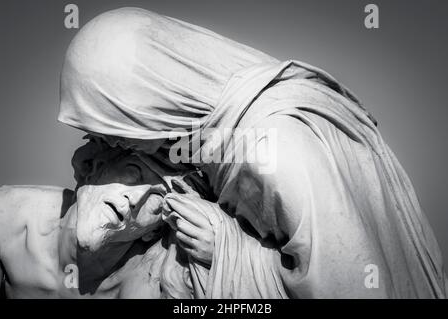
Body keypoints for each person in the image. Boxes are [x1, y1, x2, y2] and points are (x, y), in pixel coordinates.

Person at [58, 7, 447, 298]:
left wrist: (226, 248)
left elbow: (355, 288)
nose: (113, 147)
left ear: (156, 99)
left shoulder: (278, 148)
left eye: (117, 132)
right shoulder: (206, 134)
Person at [0, 137, 216, 298]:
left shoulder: (146, 283)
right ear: (95, 167)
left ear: (154, 231)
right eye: (134, 172)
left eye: (157, 197)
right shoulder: (10, 214)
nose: (136, 198)